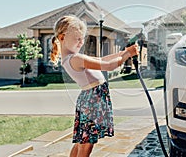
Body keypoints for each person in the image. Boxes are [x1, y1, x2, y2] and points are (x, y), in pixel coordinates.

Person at [50, 15, 138, 157]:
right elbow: (108, 66)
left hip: (90, 98)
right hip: (92, 100)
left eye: (82, 38)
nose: (81, 42)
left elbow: (102, 60)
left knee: (82, 141)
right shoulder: (75, 58)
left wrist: (123, 52)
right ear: (62, 38)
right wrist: (128, 54)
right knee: (87, 144)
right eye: (77, 38)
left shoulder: (72, 58)